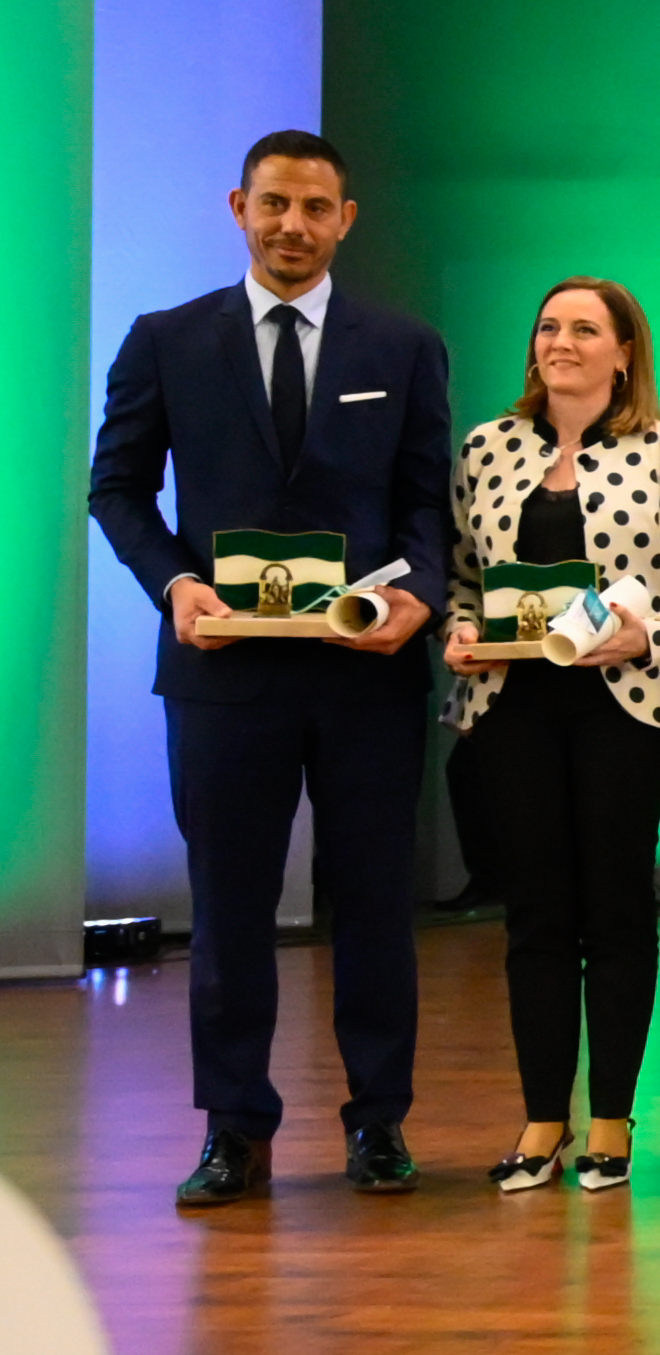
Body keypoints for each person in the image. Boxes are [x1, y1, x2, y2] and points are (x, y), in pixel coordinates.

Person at [91, 129, 453, 1208]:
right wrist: (174, 584)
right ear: (239, 207)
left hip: (366, 672)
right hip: (222, 676)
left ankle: (379, 1123)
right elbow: (118, 489)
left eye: (315, 207)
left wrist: (420, 594)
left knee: (376, 905)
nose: (293, 225)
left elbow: (425, 500)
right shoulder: (165, 340)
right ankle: (233, 1130)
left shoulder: (405, 346)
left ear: (347, 220)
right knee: (230, 910)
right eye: (275, 204)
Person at [441, 277, 660, 1195]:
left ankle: (611, 1120)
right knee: (534, 915)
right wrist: (460, 628)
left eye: (584, 329)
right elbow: (462, 574)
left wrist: (652, 634)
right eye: (548, 327)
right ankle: (541, 1120)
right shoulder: (487, 447)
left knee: (615, 909)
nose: (560, 342)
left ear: (624, 352)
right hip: (511, 707)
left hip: (626, 708)